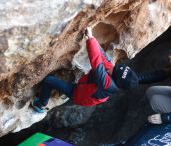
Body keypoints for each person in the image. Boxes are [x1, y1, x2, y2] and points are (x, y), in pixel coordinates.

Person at [30, 27, 169, 113]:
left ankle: (40, 105)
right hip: (85, 88)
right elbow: (104, 57)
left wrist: (90, 39)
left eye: (113, 71)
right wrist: (93, 39)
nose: (112, 68)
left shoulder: (106, 84)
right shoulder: (117, 76)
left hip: (77, 94)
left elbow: (96, 61)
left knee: (49, 81)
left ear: (113, 78)